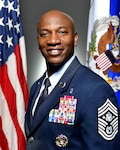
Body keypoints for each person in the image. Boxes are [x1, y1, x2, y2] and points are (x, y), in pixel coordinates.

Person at [25, 10, 120, 150]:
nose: (53, 40)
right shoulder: (36, 87)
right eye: (45, 34)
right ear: (38, 41)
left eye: (62, 32)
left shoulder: (95, 90)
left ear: (75, 39)